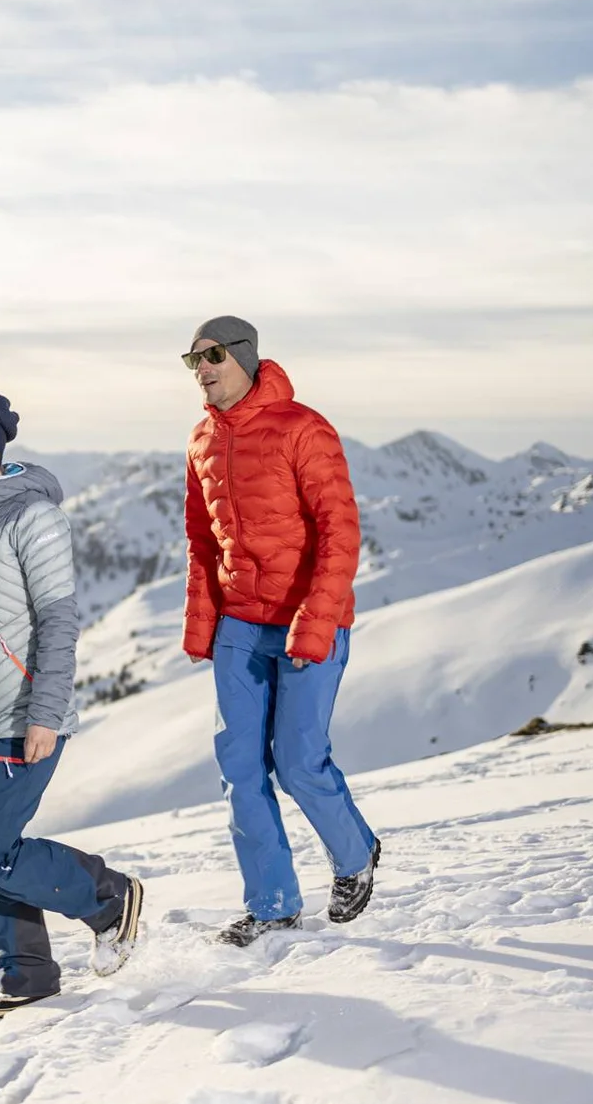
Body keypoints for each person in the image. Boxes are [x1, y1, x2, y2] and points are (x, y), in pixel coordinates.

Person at [0, 389, 144, 1017]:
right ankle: (28, 974)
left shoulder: (31, 516)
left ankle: (109, 898)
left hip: (22, 716)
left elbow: (58, 622)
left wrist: (45, 713)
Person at [180, 316, 381, 946]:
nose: (202, 368)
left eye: (212, 355)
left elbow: (340, 532)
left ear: (244, 357)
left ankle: (356, 856)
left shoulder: (303, 428)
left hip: (305, 622)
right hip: (241, 624)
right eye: (193, 359)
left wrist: (315, 621)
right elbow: (201, 541)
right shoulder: (202, 440)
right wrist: (201, 622)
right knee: (240, 768)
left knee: (297, 763)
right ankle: (271, 906)